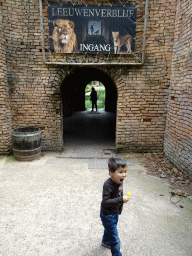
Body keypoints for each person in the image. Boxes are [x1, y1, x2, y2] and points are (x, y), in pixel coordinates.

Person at [100, 157, 129, 256]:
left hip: (115, 211)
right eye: (120, 172)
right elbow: (105, 201)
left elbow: (120, 194)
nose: (124, 175)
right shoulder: (107, 185)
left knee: (109, 228)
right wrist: (121, 200)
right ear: (111, 172)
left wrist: (120, 208)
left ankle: (105, 241)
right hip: (107, 214)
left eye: (125, 171)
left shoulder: (120, 181)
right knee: (115, 239)